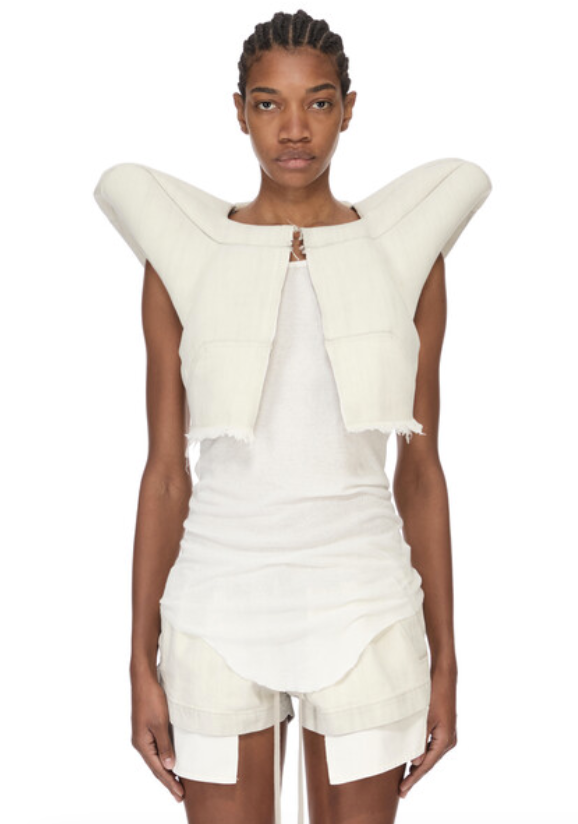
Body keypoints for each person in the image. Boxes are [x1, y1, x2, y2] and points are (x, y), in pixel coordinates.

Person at [94, 9, 492, 824]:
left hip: (365, 594)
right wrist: (137, 660)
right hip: (216, 597)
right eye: (269, 104)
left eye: (318, 102)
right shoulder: (182, 255)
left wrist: (448, 661)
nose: (295, 129)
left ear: (349, 108)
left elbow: (420, 469)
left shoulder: (408, 253)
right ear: (239, 112)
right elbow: (165, 472)